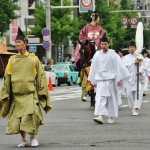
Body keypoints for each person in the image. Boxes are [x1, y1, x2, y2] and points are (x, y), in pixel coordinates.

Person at [0, 27, 51, 147]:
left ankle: (33, 138)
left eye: (19, 42)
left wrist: (41, 91)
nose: (17, 44)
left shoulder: (33, 59)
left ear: (25, 44)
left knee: (32, 117)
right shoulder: (12, 60)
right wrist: (5, 93)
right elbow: (7, 78)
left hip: (30, 94)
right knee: (18, 120)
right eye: (16, 42)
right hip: (17, 95)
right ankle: (24, 140)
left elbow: (41, 76)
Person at [88, 36, 130, 124]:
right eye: (102, 44)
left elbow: (119, 67)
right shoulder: (97, 55)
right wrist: (93, 80)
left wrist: (119, 79)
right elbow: (93, 68)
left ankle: (112, 116)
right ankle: (100, 116)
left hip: (111, 80)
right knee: (100, 97)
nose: (103, 46)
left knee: (112, 98)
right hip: (100, 80)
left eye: (105, 44)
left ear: (109, 44)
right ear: (100, 44)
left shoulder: (113, 54)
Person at [75, 11, 104, 101]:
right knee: (80, 49)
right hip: (87, 45)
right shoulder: (86, 27)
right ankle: (79, 64)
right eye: (98, 17)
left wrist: (95, 41)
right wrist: (87, 41)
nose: (99, 19)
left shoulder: (100, 28)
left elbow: (102, 36)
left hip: (97, 45)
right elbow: (81, 36)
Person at [124, 42, 145, 116]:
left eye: (133, 47)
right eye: (130, 47)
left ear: (135, 48)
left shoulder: (139, 56)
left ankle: (136, 108)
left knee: (138, 94)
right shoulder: (125, 57)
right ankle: (133, 107)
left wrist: (140, 71)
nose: (132, 48)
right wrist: (134, 62)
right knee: (129, 95)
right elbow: (124, 67)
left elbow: (143, 66)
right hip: (129, 79)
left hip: (137, 78)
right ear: (128, 48)